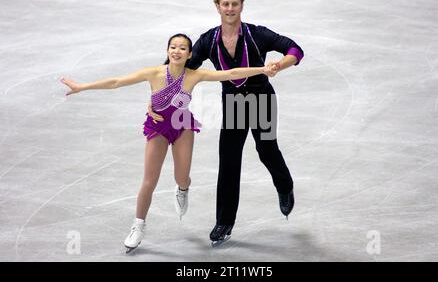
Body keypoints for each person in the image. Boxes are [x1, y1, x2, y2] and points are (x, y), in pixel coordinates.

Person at [60, 33, 279, 253]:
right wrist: (82, 87)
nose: (177, 51)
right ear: (167, 51)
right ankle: (138, 226)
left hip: (182, 125)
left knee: (181, 177)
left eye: (182, 48)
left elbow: (231, 73)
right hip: (158, 128)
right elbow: (117, 82)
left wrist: (262, 70)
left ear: (190, 54)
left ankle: (182, 188)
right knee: (149, 180)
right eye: (173, 47)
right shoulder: (153, 73)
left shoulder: (194, 75)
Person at [148, 0, 304, 245]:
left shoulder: (257, 34)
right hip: (233, 104)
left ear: (241, 5)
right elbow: (184, 66)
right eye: (225, 4)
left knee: (267, 150)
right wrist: (159, 92)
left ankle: (284, 185)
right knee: (229, 159)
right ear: (217, 6)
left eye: (235, 3)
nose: (230, 8)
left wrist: (279, 64)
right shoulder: (209, 40)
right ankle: (224, 222)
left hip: (261, 99)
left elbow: (295, 50)